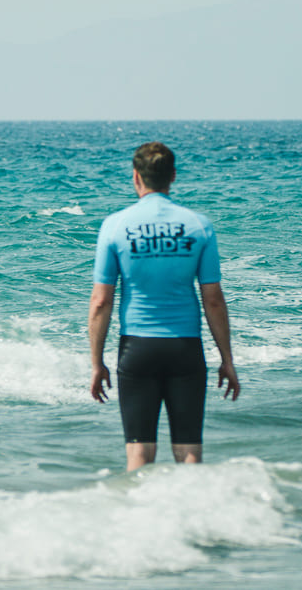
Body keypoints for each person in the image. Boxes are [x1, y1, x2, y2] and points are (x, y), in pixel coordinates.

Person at [88, 141, 239, 471]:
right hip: (185, 348)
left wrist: (97, 363)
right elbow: (212, 298)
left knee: (139, 454)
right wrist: (227, 359)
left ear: (136, 177)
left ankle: (141, 521)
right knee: (189, 453)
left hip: (137, 349)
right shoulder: (199, 225)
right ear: (172, 176)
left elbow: (101, 301)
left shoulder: (115, 225)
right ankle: (188, 521)